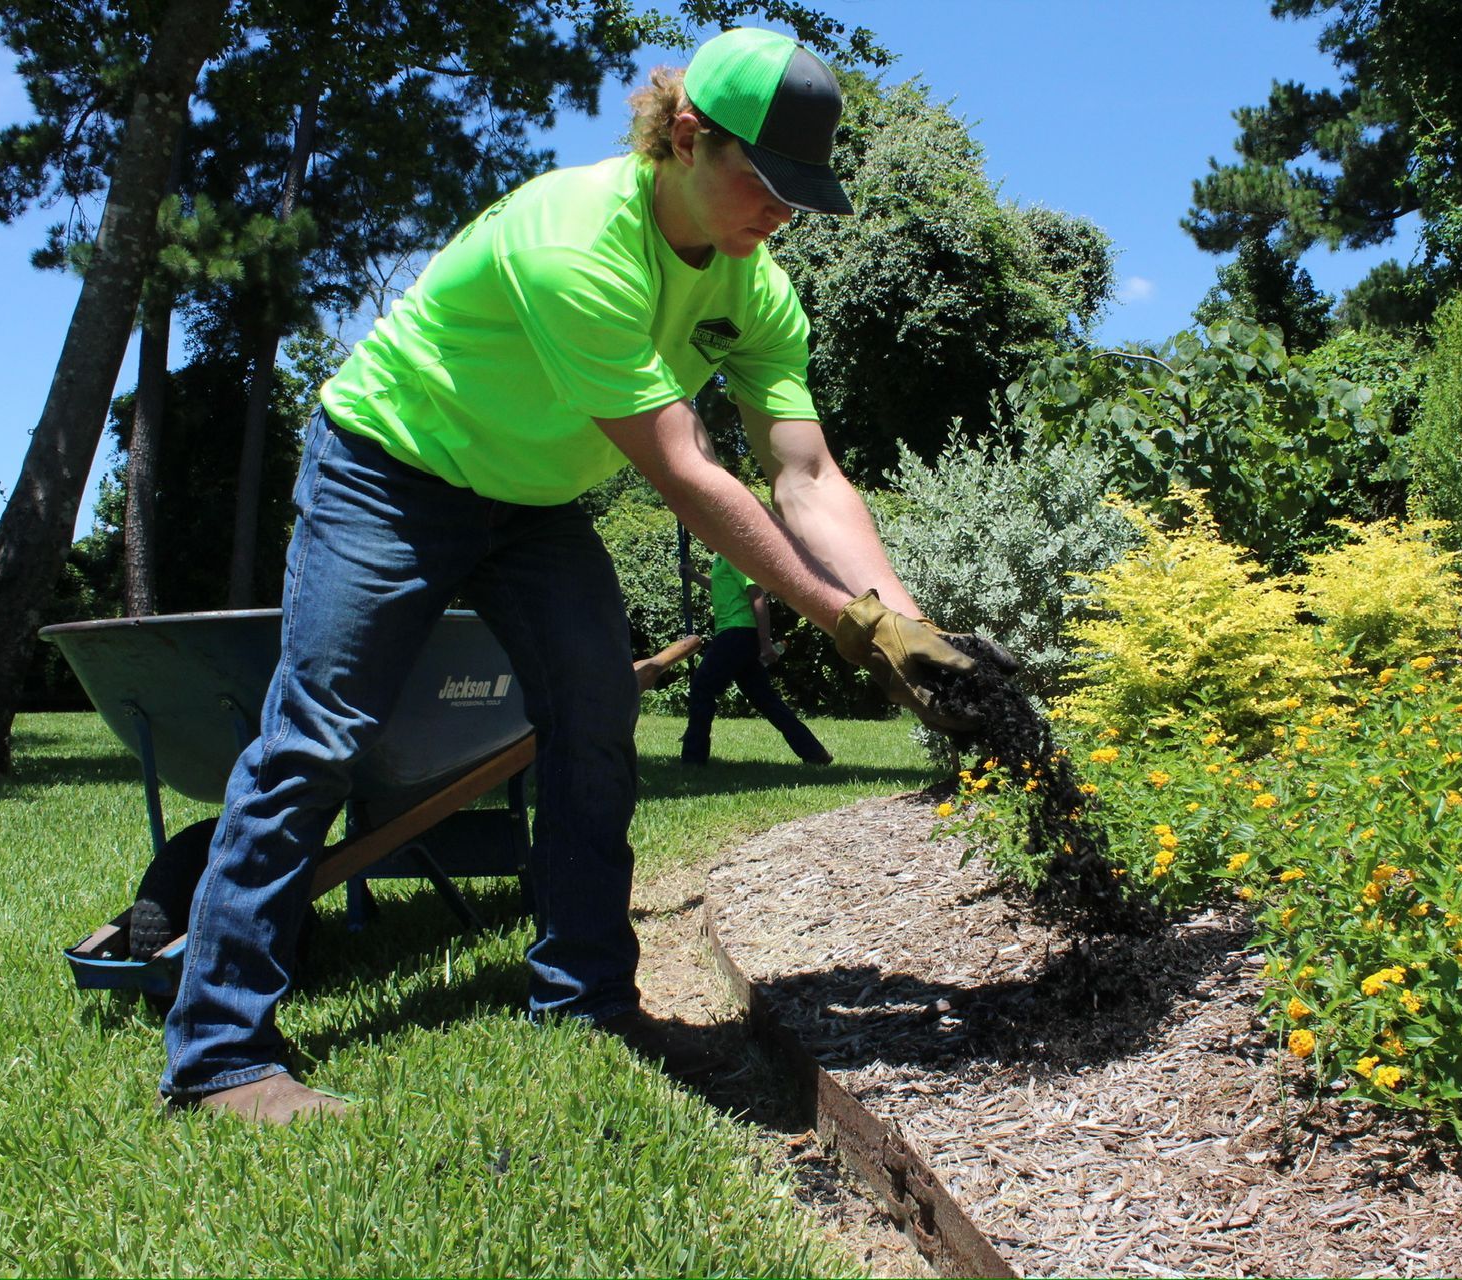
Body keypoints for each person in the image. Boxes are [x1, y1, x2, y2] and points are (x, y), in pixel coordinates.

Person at [159, 26, 1008, 1124]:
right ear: (689, 137)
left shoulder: (758, 287)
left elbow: (804, 473)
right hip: (391, 462)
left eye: (803, 191)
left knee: (598, 705)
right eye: (766, 180)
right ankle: (218, 1054)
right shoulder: (574, 237)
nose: (782, 212)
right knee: (321, 729)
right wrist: (842, 618)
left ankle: (586, 996)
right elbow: (684, 470)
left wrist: (908, 627)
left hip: (529, 500)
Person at [681, 553, 832, 766]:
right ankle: (815, 753)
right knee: (765, 699)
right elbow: (723, 587)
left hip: (737, 632)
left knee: (702, 689)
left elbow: (757, 594)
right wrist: (696, 577)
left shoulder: (736, 554)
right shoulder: (722, 555)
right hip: (736, 633)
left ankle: (693, 759)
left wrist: (765, 643)